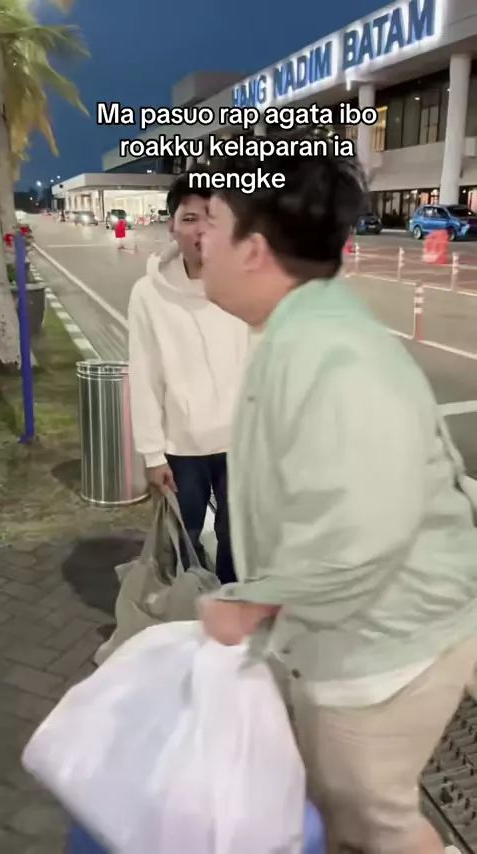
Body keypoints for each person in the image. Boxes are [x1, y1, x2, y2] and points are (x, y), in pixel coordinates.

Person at [199, 141, 477, 854]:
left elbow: (359, 534)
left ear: (255, 249)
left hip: (387, 647)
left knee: (373, 826)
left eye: (211, 223)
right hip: (353, 632)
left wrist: (250, 602)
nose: (198, 240)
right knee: (347, 816)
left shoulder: (333, 354)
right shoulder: (299, 330)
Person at [127, 172, 250, 584]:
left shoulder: (244, 282)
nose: (201, 231)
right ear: (172, 226)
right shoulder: (149, 294)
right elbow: (144, 377)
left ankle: (231, 605)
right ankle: (185, 607)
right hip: (182, 448)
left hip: (240, 442)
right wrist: (152, 455)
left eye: (212, 219)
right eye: (190, 218)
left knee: (240, 539)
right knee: (184, 538)